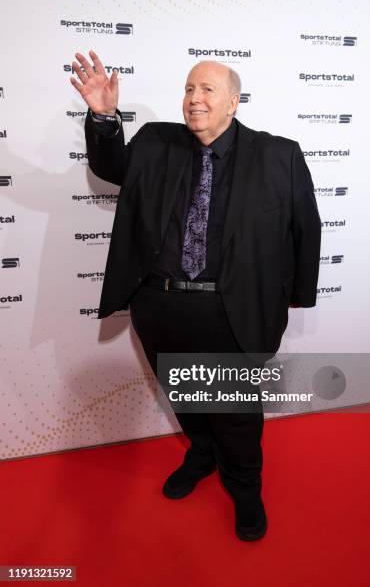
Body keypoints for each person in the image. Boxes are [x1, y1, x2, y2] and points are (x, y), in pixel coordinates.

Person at [70, 50, 321, 541]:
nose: (194, 98)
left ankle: (246, 489)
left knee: (235, 413)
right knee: (184, 394)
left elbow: (304, 229)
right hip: (160, 305)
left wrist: (294, 297)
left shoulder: (278, 154)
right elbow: (110, 167)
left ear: (233, 101)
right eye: (188, 88)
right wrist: (103, 116)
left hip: (229, 310)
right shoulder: (155, 142)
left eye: (207, 89)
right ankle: (201, 453)